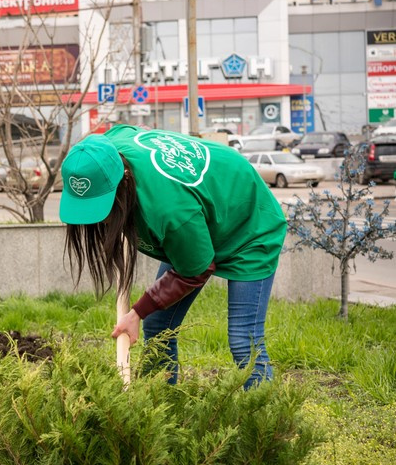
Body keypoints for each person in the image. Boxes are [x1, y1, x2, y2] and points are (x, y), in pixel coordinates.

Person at [58, 124, 286, 389]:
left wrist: (136, 313)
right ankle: (159, 408)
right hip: (199, 211)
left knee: (243, 341)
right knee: (158, 325)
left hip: (248, 218)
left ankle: (270, 420)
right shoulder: (102, 150)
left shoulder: (170, 213)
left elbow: (197, 269)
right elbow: (130, 128)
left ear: (124, 182)